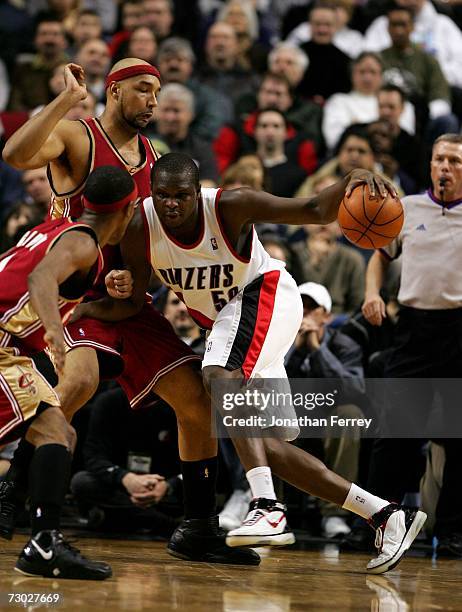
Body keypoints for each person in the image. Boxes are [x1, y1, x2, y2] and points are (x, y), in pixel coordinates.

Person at [76, 151, 427, 574]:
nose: (171, 204)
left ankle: (266, 505)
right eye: (163, 195)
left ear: (198, 191)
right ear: (152, 192)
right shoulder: (138, 227)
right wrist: (91, 307)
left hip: (268, 295)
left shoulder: (230, 205)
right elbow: (132, 304)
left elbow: (313, 209)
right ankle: (386, 515)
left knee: (217, 374)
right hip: (234, 321)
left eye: (182, 196)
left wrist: (352, 174)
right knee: (269, 445)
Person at [2, 60, 258, 567]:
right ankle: (17, 495)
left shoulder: (155, 159)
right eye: (143, 90)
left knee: (196, 404)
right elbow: (14, 155)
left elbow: (151, 238)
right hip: (74, 296)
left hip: (126, 299)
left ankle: (199, 528)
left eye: (158, 93)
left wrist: (140, 278)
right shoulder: (78, 136)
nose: (153, 101)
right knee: (74, 388)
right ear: (114, 91)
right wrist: (66, 99)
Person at [0, 164, 138, 579]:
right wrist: (58, 338)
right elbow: (41, 280)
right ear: (127, 211)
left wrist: (90, 298)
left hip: (11, 345)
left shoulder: (57, 227)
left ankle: (44, 541)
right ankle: (43, 543)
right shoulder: (83, 244)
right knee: (57, 433)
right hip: (3, 345)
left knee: (59, 432)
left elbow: (35, 281)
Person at [359, 132, 462, 557]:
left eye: (454, 161)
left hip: (458, 331)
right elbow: (379, 258)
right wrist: (371, 294)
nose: (445, 167)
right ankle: (379, 522)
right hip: (414, 330)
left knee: (457, 438)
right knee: (395, 433)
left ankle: (454, 531)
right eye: (440, 159)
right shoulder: (406, 209)